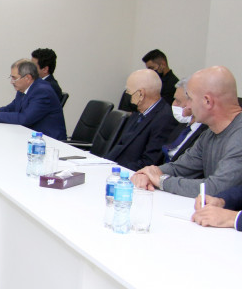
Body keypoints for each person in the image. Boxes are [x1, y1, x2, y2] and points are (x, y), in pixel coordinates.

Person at [131, 66, 242, 197]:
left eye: (190, 98)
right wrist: (147, 173)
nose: (187, 106)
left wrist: (162, 181)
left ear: (207, 101)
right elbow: (179, 168)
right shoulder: (209, 133)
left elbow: (216, 189)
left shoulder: (238, 136)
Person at [103, 69, 178, 171]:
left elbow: (149, 162)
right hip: (112, 167)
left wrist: (114, 170)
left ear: (141, 94)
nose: (127, 95)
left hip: (127, 174)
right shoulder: (138, 113)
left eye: (128, 91)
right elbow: (121, 145)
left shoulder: (164, 119)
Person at [0, 59, 67, 140]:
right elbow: (12, 107)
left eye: (14, 78)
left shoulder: (42, 91)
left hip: (49, 141)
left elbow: (25, 118)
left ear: (28, 78)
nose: (11, 82)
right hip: (30, 136)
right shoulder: (23, 88)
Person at [161, 79, 208, 164]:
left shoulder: (206, 133)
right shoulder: (182, 125)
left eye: (178, 101)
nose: (174, 104)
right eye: (174, 99)